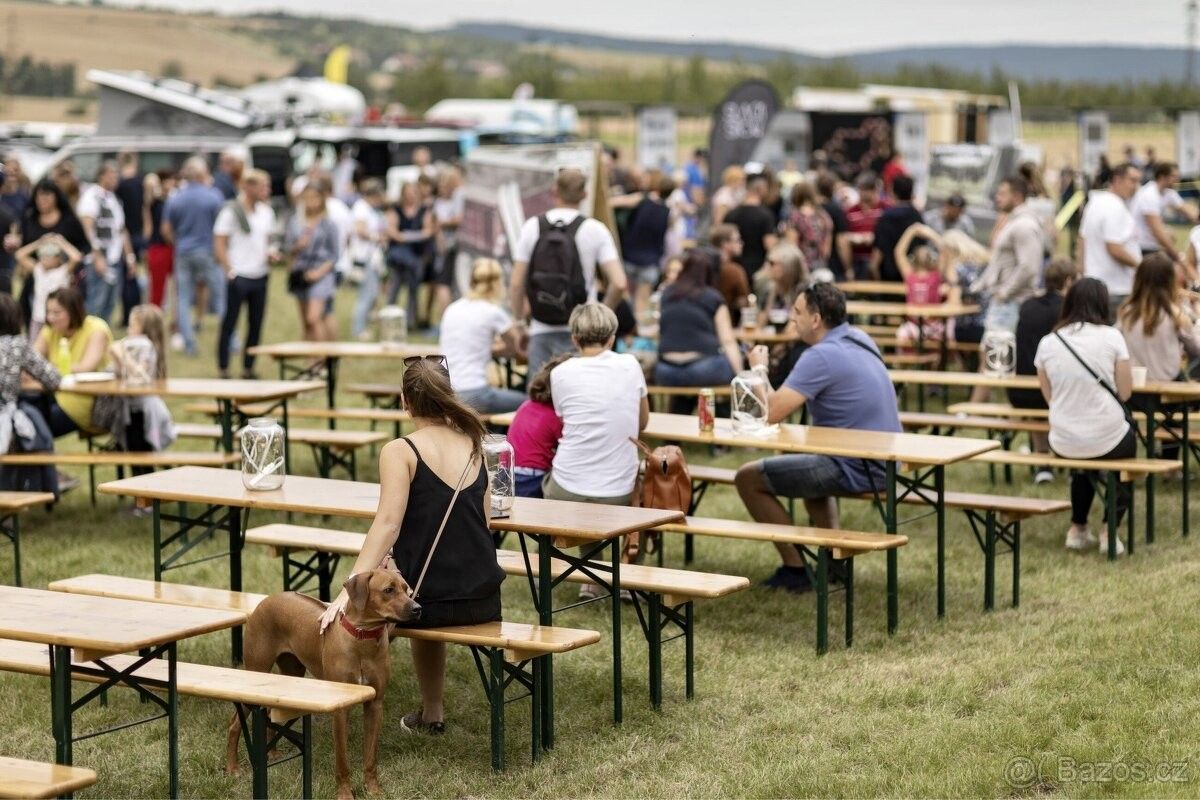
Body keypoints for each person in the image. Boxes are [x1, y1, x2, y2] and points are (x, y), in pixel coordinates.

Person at [316, 357, 505, 735]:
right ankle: (430, 714)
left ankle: (335, 696)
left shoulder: (400, 450)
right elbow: (484, 522)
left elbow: (388, 523)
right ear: (448, 395)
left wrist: (347, 591)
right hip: (483, 596)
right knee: (407, 584)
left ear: (405, 401)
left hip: (424, 603)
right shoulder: (474, 444)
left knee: (384, 600)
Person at [735, 283, 901, 593]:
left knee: (747, 478)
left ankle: (796, 569)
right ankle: (834, 560)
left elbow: (771, 412)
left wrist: (758, 368)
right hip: (886, 462)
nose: (792, 318)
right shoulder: (861, 338)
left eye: (797, 312)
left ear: (815, 319)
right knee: (805, 470)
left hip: (856, 467)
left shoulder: (821, 355)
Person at [1034, 277, 1135, 556]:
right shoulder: (1112, 337)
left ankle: (1077, 528)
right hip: (1108, 437)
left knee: (1083, 465)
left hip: (1063, 439)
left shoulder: (1049, 342)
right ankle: (1109, 530)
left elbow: (1050, 396)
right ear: (1103, 303)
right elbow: (1125, 392)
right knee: (1125, 460)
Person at [509, 168, 626, 377]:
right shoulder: (595, 229)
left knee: (539, 392)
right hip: (581, 329)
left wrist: (518, 323)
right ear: (585, 194)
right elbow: (619, 283)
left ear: (554, 191)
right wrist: (597, 315)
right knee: (577, 390)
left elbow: (516, 283)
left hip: (541, 326)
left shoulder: (532, 227)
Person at [544, 303, 648, 509]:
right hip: (620, 490)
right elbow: (642, 422)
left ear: (574, 340)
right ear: (612, 339)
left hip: (567, 486)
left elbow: (566, 419)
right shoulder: (630, 365)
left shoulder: (559, 373)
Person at [1008, 257, 1077, 483]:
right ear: (1069, 282)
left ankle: (1042, 461)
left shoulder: (1027, 306)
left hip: (1021, 391)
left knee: (1038, 402)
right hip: (1056, 390)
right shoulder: (1068, 310)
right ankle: (1070, 462)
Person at [654, 250, 743, 412]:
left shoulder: (667, 294)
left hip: (666, 371)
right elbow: (728, 340)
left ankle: (679, 420)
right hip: (704, 370)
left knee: (686, 386)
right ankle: (721, 419)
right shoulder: (713, 297)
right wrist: (740, 377)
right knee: (738, 356)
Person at [438, 259, 524, 414]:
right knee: (529, 403)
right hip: (474, 393)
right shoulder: (493, 312)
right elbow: (518, 346)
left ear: (471, 281)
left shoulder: (452, 309)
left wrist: (485, 349)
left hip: (446, 392)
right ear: (498, 283)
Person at [103, 304, 175, 485]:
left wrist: (123, 355)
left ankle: (149, 493)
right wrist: (116, 357)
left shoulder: (146, 347)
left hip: (144, 412)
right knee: (134, 454)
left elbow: (141, 376)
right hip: (130, 409)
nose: (128, 330)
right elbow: (117, 374)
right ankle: (140, 493)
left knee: (143, 455)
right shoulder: (133, 347)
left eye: (132, 326)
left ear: (146, 330)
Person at [214, 170, 275, 380]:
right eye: (262, 186)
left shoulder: (267, 212)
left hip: (260, 273)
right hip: (239, 274)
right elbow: (219, 242)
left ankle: (248, 367)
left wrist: (270, 254)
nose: (267, 191)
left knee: (255, 323)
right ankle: (223, 367)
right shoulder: (231, 211)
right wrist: (229, 270)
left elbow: (267, 241)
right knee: (230, 322)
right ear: (248, 187)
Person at [162, 157, 225, 357]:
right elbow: (223, 227)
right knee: (220, 296)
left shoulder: (175, 198)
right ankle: (230, 339)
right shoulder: (214, 196)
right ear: (201, 174)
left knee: (183, 298)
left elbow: (166, 229)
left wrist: (178, 242)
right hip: (209, 252)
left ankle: (189, 344)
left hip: (183, 251)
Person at [0, 294, 61, 496]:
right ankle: (25, 494)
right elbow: (53, 378)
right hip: (4, 422)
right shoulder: (16, 345)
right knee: (31, 434)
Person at [34, 287, 112, 438]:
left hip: (84, 400)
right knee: (22, 414)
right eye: (48, 312)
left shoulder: (96, 329)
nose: (50, 318)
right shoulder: (50, 330)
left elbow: (86, 367)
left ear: (73, 310)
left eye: (57, 312)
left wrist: (48, 368)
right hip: (53, 393)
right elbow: (30, 361)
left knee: (32, 428)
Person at [971, 176, 1043, 336]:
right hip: (1005, 303)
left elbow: (1029, 267)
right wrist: (978, 286)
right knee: (993, 348)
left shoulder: (1024, 225)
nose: (997, 198)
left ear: (1017, 196)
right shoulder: (1014, 222)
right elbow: (998, 262)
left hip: (1012, 303)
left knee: (999, 349)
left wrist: (1004, 293)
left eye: (1002, 194)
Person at [1116, 252, 1200, 384]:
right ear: (1170, 281)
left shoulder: (1126, 314)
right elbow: (1195, 350)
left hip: (1136, 385)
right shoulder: (1176, 316)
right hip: (1170, 386)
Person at [18, 179, 91, 326]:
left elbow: (84, 247)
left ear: (56, 197)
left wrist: (62, 246)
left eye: (46, 196)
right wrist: (39, 244)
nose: (42, 200)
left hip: (64, 274)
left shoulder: (69, 220)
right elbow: (22, 248)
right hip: (37, 273)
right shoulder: (30, 218)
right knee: (32, 309)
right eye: (39, 196)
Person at [77, 161, 136, 324]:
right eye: (111, 175)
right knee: (96, 302)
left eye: (116, 175)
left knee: (110, 303)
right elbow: (88, 227)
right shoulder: (91, 196)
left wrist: (130, 257)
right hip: (98, 258)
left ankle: (101, 335)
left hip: (114, 258)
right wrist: (97, 256)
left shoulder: (114, 199)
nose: (115, 179)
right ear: (101, 176)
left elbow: (121, 230)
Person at [1079, 162, 1142, 315]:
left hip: (1094, 285)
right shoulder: (1114, 207)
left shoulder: (1095, 202)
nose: (1136, 186)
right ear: (1117, 180)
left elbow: (1082, 240)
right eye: (1132, 181)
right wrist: (1142, 266)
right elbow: (1114, 248)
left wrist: (1082, 273)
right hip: (1116, 288)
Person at [507, 353, 572, 499]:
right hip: (532, 478)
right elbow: (570, 444)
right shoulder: (554, 415)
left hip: (510, 473)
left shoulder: (526, 405)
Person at [612, 173, 672, 319]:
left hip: (629, 256)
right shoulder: (668, 211)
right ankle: (639, 329)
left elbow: (613, 202)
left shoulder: (641, 199)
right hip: (651, 261)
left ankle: (626, 326)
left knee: (624, 298)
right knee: (642, 303)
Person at [286, 183, 340, 343]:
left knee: (313, 318)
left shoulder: (328, 224)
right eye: (307, 197)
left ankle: (323, 356)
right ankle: (314, 355)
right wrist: (298, 246)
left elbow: (334, 255)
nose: (311, 201)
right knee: (307, 322)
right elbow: (288, 249)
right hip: (301, 273)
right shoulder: (295, 222)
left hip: (321, 273)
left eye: (315, 197)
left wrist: (318, 273)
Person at [384, 182, 434, 330]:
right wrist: (414, 236)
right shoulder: (396, 210)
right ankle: (388, 320)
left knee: (414, 290)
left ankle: (410, 322)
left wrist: (406, 236)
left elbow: (428, 231)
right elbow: (392, 231)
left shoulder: (424, 211)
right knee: (394, 288)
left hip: (416, 256)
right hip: (399, 259)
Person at [1131, 162, 1197, 270]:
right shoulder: (1149, 195)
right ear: (1162, 177)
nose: (1177, 180)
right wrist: (1178, 256)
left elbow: (1190, 211)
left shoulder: (1168, 192)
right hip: (1141, 247)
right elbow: (1158, 232)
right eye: (1174, 176)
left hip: (1153, 246)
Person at [14, 235, 80, 340]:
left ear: (58, 257)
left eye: (49, 255)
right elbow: (19, 255)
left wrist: (61, 242)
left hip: (58, 318)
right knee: (34, 345)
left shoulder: (63, 271)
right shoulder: (38, 269)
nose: (45, 258)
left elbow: (76, 257)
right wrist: (39, 242)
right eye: (42, 255)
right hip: (38, 317)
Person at [892, 228, 946, 347]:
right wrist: (911, 231)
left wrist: (929, 232)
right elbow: (899, 252)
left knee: (944, 338)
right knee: (901, 335)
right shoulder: (910, 275)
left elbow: (945, 250)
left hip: (933, 325)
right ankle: (904, 359)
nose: (923, 252)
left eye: (926, 252)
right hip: (913, 324)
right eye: (920, 251)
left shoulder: (936, 275)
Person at [349, 179, 389, 340]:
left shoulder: (370, 209)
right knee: (366, 294)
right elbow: (360, 230)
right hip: (364, 257)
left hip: (372, 258)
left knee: (372, 293)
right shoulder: (361, 208)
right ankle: (358, 329)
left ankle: (364, 324)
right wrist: (376, 237)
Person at [724, 173, 777, 283]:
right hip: (757, 269)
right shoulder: (765, 215)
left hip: (735, 268)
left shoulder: (731, 214)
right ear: (760, 189)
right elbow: (770, 244)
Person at [429, 167, 465, 327]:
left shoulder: (459, 194)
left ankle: (447, 322)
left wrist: (441, 223)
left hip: (451, 247)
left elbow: (458, 219)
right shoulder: (442, 201)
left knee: (443, 284)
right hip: (449, 247)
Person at [870, 175, 923, 282]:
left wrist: (873, 268)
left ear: (893, 192)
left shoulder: (886, 217)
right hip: (911, 274)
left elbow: (879, 249)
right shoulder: (917, 217)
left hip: (887, 274)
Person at [113, 151, 145, 327]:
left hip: (125, 236)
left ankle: (128, 316)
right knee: (134, 276)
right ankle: (135, 312)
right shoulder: (140, 183)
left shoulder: (121, 186)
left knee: (127, 278)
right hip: (138, 234)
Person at [844, 172, 888, 280]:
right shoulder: (850, 211)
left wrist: (875, 238)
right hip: (857, 259)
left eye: (865, 190)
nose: (862, 193)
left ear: (874, 190)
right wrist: (853, 238)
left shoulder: (885, 208)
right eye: (860, 189)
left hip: (879, 258)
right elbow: (844, 235)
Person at [784, 181, 833, 277]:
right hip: (820, 265)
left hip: (801, 268)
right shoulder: (824, 216)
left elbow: (792, 247)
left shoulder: (795, 217)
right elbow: (826, 249)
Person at [143, 170, 175, 311]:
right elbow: (149, 183)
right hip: (158, 246)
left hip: (169, 247)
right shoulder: (155, 202)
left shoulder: (172, 201)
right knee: (157, 288)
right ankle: (154, 314)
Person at [709, 224, 749, 312]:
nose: (741, 243)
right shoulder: (734, 271)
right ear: (725, 244)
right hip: (727, 317)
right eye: (737, 240)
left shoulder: (704, 266)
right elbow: (743, 301)